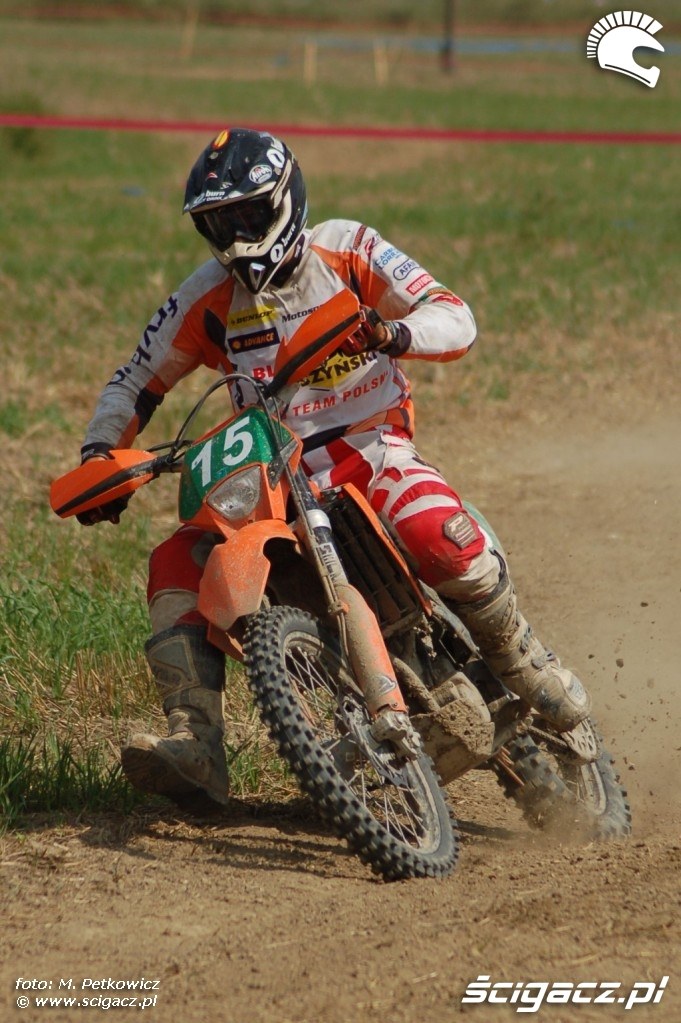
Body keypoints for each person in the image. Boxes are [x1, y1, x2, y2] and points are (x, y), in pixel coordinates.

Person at [78, 127, 591, 809]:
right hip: (271, 474)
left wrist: (393, 333)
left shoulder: (346, 248)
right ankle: (195, 740)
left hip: (368, 445)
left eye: (248, 216)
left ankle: (520, 658)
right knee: (178, 558)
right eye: (219, 223)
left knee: (436, 532)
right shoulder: (206, 295)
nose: (236, 239)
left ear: (284, 199)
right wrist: (101, 455)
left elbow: (455, 315)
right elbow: (134, 379)